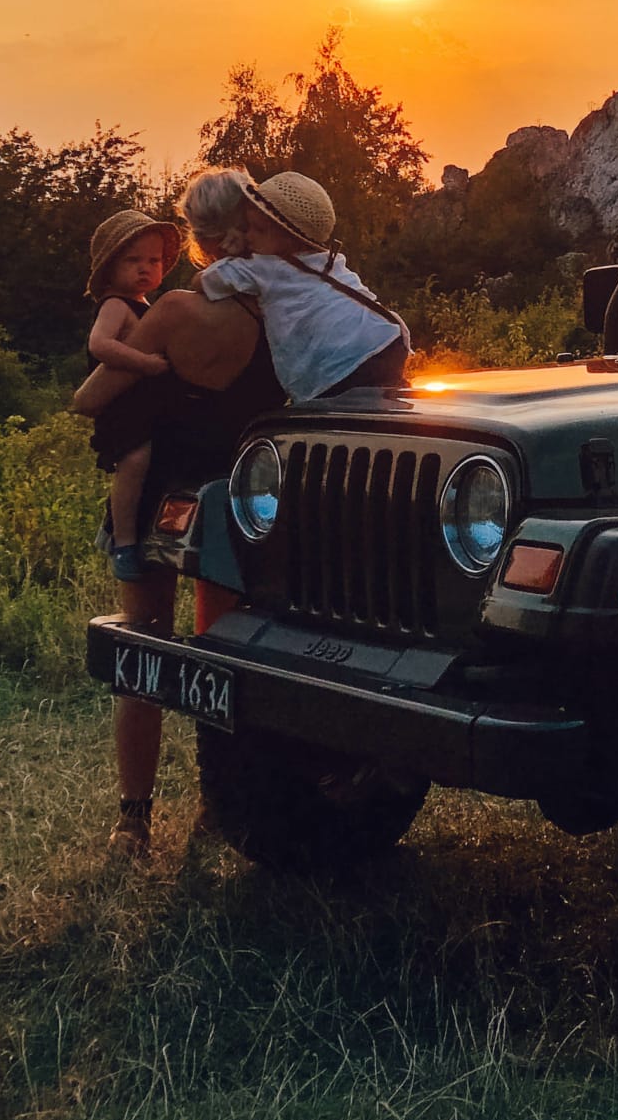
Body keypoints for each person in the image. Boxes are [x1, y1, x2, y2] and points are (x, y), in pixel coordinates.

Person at [73, 170, 282, 856]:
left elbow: (93, 397)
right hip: (242, 502)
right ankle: (223, 804)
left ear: (193, 242)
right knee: (232, 656)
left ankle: (133, 819)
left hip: (164, 496)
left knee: (143, 649)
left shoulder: (172, 315)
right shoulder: (280, 314)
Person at [198, 169, 413, 400]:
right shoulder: (329, 260)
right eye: (248, 226)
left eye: (258, 230)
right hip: (385, 337)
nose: (248, 235)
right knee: (388, 406)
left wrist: (233, 253)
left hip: (339, 368)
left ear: (289, 240)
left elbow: (205, 281)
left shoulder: (262, 267)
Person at [83, 210, 179, 584]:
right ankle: (123, 543)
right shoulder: (115, 305)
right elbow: (100, 345)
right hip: (120, 407)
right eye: (133, 260)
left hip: (145, 407)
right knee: (134, 460)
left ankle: (147, 530)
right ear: (110, 267)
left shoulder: (146, 306)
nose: (145, 269)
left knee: (154, 463)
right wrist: (144, 363)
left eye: (153, 261)